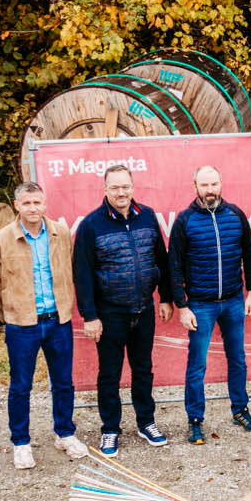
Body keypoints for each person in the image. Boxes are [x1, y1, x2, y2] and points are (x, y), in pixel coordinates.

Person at [72, 164, 177, 456]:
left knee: (143, 369)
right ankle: (110, 429)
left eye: (125, 187)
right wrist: (90, 316)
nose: (121, 192)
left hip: (144, 309)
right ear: (105, 189)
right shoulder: (91, 224)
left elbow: (161, 258)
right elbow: (82, 273)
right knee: (109, 374)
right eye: (115, 187)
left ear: (133, 187)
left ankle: (146, 423)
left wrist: (165, 298)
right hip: (110, 314)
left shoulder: (148, 216)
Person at [0, 180, 87, 469]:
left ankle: (65, 433)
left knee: (63, 382)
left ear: (44, 204)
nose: (32, 208)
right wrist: (12, 308)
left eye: (36, 202)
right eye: (26, 203)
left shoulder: (60, 234)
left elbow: (71, 268)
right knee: (20, 386)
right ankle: (21, 442)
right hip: (22, 325)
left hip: (58, 321)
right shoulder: (1, 240)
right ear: (17, 205)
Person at [168, 164, 251, 445]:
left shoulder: (235, 214)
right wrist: (182, 306)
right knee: (197, 365)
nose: (210, 190)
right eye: (204, 185)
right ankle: (195, 420)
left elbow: (249, 254)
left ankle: (240, 410)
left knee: (238, 359)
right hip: (200, 305)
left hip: (233, 300)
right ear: (195, 187)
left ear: (221, 184)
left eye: (214, 184)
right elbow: (174, 266)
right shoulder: (184, 221)